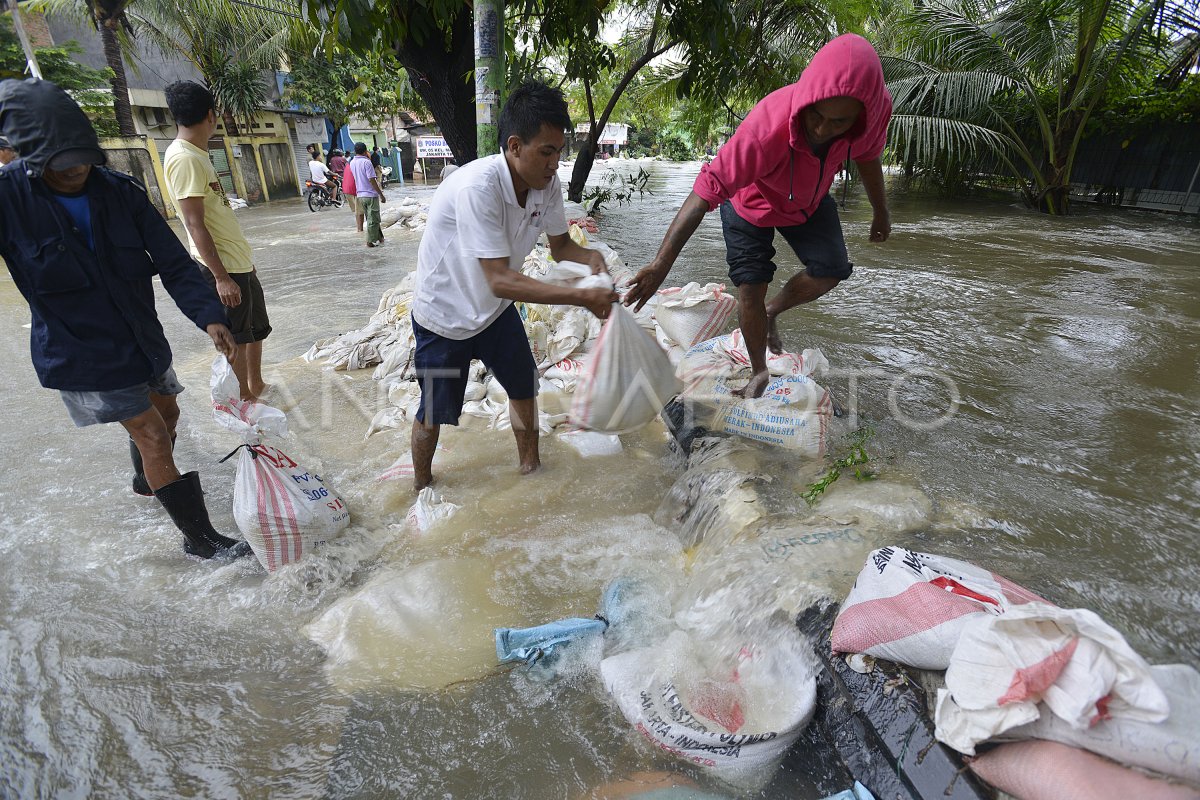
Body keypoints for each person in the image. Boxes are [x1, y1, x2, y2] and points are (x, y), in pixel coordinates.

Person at [0, 78, 249, 560]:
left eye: (82, 157)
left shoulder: (120, 192)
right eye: (60, 162)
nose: (75, 170)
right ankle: (201, 541)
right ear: (30, 157)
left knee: (169, 412)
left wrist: (208, 316)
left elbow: (174, 260)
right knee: (152, 432)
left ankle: (146, 480)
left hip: (142, 338)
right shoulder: (10, 201)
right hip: (83, 349)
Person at [625, 34, 893, 399]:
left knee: (833, 268)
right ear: (807, 99)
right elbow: (705, 193)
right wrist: (660, 265)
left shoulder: (873, 115)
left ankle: (772, 311)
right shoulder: (768, 126)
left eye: (838, 122)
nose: (821, 129)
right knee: (750, 287)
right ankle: (759, 371)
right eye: (816, 115)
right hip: (749, 202)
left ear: (861, 116)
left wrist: (881, 212)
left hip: (807, 202)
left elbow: (867, 155)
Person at [409, 80, 618, 491]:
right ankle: (420, 487)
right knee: (434, 411)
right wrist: (581, 296)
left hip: (494, 314)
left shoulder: (547, 186)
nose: (555, 163)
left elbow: (560, 248)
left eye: (560, 152)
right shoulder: (478, 187)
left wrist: (590, 257)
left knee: (524, 389)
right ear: (514, 145)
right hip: (444, 317)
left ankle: (531, 472)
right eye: (546, 152)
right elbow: (501, 279)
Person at [163, 80, 273, 402]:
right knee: (237, 337)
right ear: (211, 115)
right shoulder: (184, 158)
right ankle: (243, 402)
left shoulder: (196, 154)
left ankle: (256, 386)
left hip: (238, 261)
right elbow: (194, 223)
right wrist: (222, 277)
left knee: (255, 328)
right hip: (222, 267)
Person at [348, 141, 385, 247]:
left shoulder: (352, 162)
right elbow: (372, 180)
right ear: (365, 151)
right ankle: (370, 241)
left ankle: (380, 238)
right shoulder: (367, 162)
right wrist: (381, 194)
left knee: (371, 218)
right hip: (370, 195)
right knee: (373, 219)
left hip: (360, 195)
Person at [341, 147, 361, 231]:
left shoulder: (348, 166)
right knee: (360, 210)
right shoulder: (357, 166)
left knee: (357, 210)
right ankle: (360, 229)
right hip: (356, 189)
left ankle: (359, 228)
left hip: (346, 189)